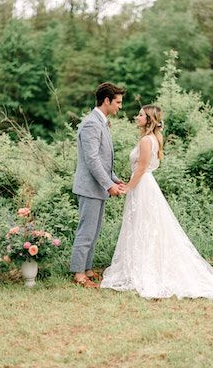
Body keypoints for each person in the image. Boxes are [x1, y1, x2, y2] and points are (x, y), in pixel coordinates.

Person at [100, 105, 213, 300]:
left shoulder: (147, 140)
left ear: (149, 119)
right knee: (145, 226)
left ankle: (147, 270)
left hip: (143, 186)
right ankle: (143, 266)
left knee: (145, 226)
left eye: (140, 115)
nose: (136, 117)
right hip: (144, 185)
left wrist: (128, 187)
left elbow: (141, 167)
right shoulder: (152, 138)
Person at [70, 82, 126, 288]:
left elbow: (103, 160)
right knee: (86, 232)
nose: (120, 106)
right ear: (106, 101)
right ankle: (78, 274)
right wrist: (108, 185)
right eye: (118, 102)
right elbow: (92, 159)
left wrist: (115, 179)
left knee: (94, 231)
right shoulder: (91, 124)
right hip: (90, 188)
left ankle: (87, 268)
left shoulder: (101, 123)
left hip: (98, 187)